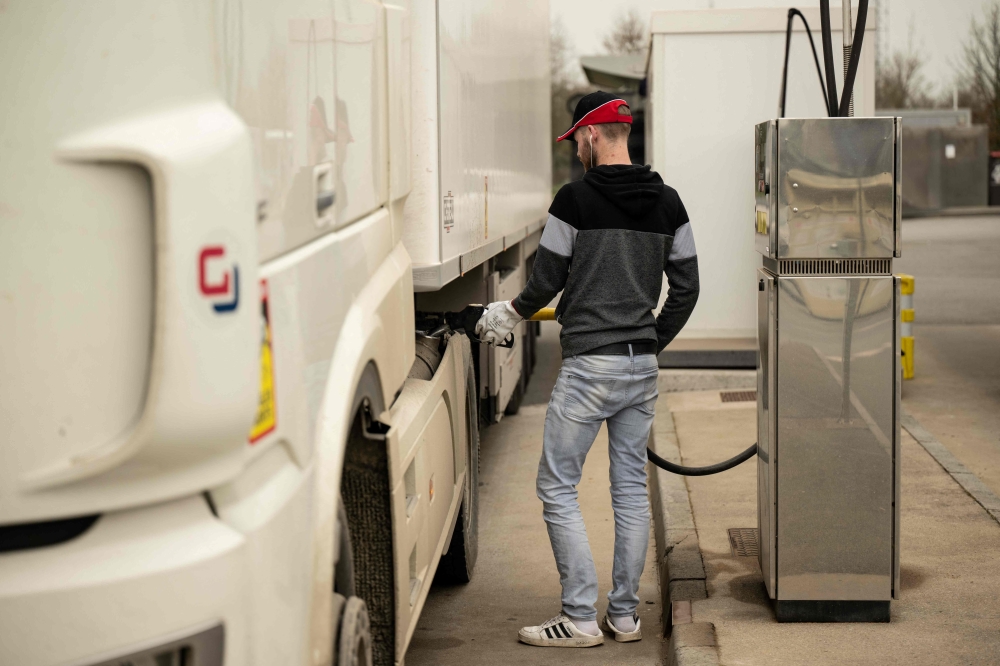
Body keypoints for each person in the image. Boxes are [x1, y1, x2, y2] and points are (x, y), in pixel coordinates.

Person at [475, 91, 700, 648]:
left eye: (577, 139)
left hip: (589, 367)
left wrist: (508, 312)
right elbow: (688, 287)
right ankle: (623, 616)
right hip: (639, 368)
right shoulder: (670, 202)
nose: (576, 149)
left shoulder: (573, 200)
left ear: (595, 134)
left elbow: (547, 279)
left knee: (557, 486)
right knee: (628, 489)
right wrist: (651, 342)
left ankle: (578, 618)